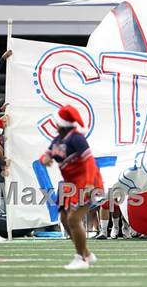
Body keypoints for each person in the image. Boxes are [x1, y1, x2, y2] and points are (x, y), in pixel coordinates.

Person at [39, 105, 103, 269]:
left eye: (57, 122)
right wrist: (44, 159)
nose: (55, 124)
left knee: (74, 219)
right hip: (70, 184)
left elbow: (90, 162)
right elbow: (46, 155)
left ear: (62, 124)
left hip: (86, 181)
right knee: (64, 219)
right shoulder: (58, 140)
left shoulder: (77, 138)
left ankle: (81, 259)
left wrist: (89, 183)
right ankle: (86, 253)